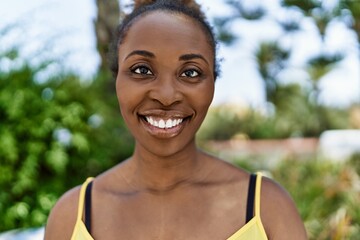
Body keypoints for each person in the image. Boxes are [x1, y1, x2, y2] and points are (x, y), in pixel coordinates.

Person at [45, 0, 308, 239]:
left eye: (191, 73)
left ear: (213, 84)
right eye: (142, 70)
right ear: (116, 79)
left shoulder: (267, 210)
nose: (167, 96)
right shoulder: (72, 217)